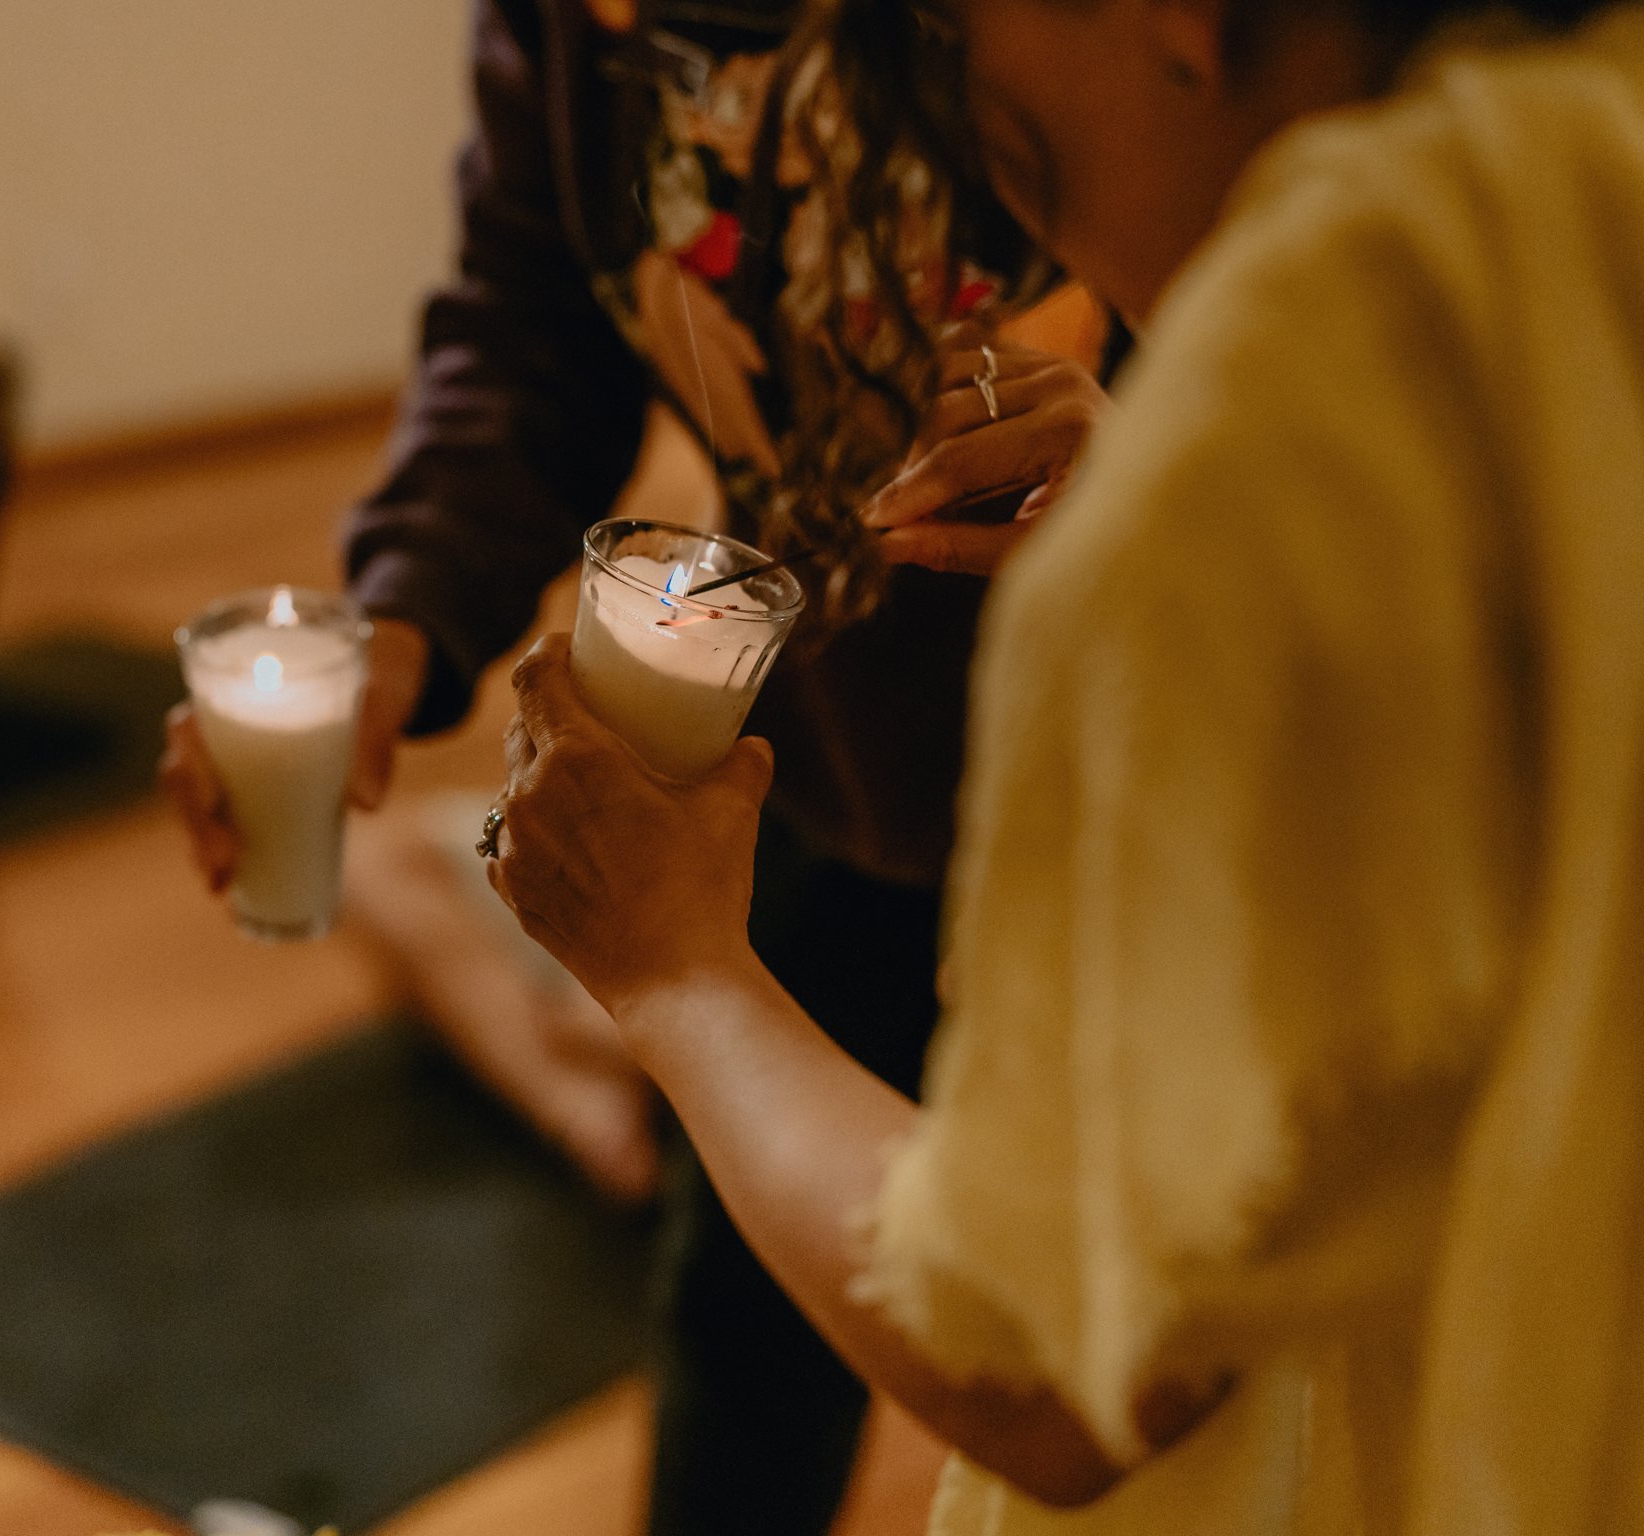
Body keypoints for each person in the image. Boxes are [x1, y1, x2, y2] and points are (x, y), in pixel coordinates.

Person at [486, 0, 1644, 1530]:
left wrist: (675, 969)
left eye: (954, 39)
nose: (958, 127)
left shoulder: (1247, 480)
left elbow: (1058, 1366)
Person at [161, 1, 1117, 1530]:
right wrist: (399, 620)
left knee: (1078, 1351)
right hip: (807, 769)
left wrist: (1158, 461)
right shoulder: (568, 27)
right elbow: (527, 334)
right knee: (746, 1314)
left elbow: (1081, 1405)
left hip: (1119, 784)